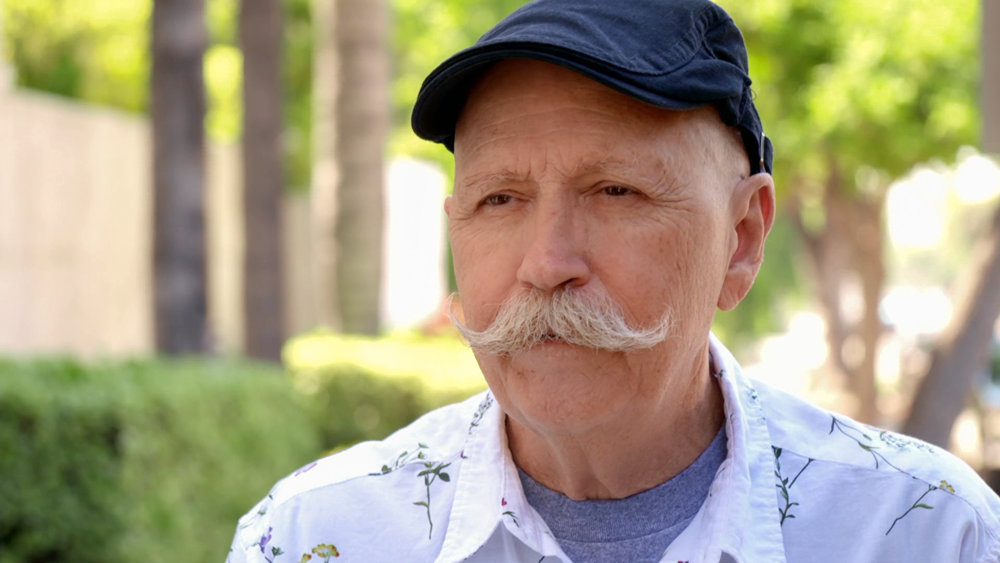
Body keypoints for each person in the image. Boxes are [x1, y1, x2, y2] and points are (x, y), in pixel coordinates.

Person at [228, 1, 1000, 561]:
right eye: (500, 199)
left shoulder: (928, 533)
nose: (546, 263)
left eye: (615, 192)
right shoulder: (312, 536)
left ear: (741, 239)